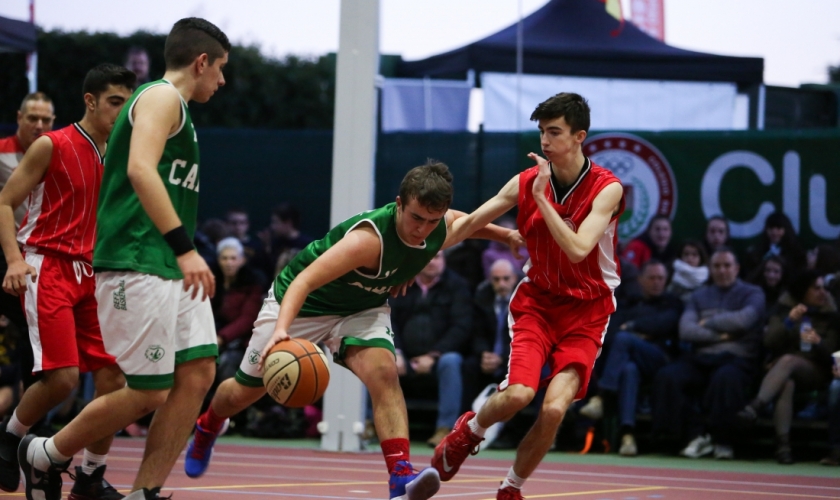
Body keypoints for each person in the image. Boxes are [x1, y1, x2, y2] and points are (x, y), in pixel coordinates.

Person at [184, 160, 524, 500]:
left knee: (385, 374)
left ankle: (400, 477)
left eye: (432, 221)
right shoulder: (367, 240)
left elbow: (465, 224)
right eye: (416, 218)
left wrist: (506, 233)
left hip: (362, 307)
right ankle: (208, 424)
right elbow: (302, 281)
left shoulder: (437, 225)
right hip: (304, 303)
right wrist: (281, 330)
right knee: (244, 392)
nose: (422, 229)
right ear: (399, 203)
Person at [17, 18, 230, 500]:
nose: (222, 81)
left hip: (168, 267)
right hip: (138, 261)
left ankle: (145, 492)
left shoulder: (179, 111)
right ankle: (44, 453)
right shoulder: (160, 97)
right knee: (149, 389)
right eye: (220, 69)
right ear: (201, 62)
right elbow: (139, 168)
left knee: (198, 373)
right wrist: (186, 249)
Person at [430, 92, 624, 500]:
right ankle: (469, 431)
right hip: (538, 303)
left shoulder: (607, 189)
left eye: (554, 132)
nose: (545, 142)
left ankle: (511, 488)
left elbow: (577, 248)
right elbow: (467, 225)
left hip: (588, 311)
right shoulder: (523, 182)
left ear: (579, 137)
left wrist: (540, 200)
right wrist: (415, 253)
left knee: (554, 410)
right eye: (542, 132)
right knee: (519, 394)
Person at [0, 64, 135, 498]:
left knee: (115, 380)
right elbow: (4, 202)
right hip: (48, 265)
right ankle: (8, 440)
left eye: (127, 103)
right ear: (90, 101)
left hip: (94, 274)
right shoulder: (50, 145)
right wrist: (13, 260)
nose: (122, 111)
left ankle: (91, 477)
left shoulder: (124, 152)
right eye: (115, 101)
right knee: (63, 379)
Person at [651, 248, 764, 461]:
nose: (722, 270)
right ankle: (694, 436)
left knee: (726, 378)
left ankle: (723, 440)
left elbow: (744, 320)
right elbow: (686, 330)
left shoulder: (752, 293)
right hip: (701, 357)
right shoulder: (699, 295)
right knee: (668, 376)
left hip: (737, 358)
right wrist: (723, 335)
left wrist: (707, 322)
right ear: (710, 269)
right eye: (717, 266)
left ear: (737, 268)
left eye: (727, 265)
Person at [578, 260, 682, 456]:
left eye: (660, 278)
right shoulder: (629, 303)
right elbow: (608, 333)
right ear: (641, 280)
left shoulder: (672, 302)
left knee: (624, 339)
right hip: (631, 363)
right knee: (628, 370)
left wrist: (632, 328)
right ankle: (628, 435)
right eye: (652, 278)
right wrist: (641, 333)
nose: (656, 282)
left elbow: (665, 324)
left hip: (660, 360)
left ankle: (601, 397)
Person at [737, 270, 840, 464]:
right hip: (785, 372)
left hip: (818, 371)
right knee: (787, 383)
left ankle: (755, 406)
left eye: (824, 288)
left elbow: (834, 357)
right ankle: (783, 447)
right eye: (816, 288)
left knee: (787, 361)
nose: (822, 292)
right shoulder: (786, 310)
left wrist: (818, 342)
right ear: (803, 291)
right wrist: (789, 322)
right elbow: (768, 341)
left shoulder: (831, 316)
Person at [0, 92, 55, 391]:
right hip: (7, 255)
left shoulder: (58, 153)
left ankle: (27, 420)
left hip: (37, 259)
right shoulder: (1, 153)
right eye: (32, 118)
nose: (39, 124)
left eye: (46, 119)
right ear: (19, 118)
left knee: (32, 332)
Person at [390, 251, 473, 447]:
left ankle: (444, 429)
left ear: (444, 260)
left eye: (437, 257)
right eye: (427, 258)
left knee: (451, 361)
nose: (432, 262)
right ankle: (370, 424)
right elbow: (388, 319)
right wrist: (397, 351)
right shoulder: (402, 283)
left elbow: (462, 326)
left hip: (439, 358)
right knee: (378, 357)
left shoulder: (457, 286)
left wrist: (433, 355)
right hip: (403, 356)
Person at [211, 237, 265, 382]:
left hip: (242, 342)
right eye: (225, 258)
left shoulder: (253, 282)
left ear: (242, 260)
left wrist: (221, 338)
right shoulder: (211, 280)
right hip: (211, 336)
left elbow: (248, 319)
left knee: (227, 363)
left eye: (233, 258)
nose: (229, 263)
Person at [743, 212, 807, 279]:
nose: (774, 232)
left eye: (778, 228)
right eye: (771, 228)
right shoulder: (755, 252)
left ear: (786, 230)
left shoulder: (796, 253)